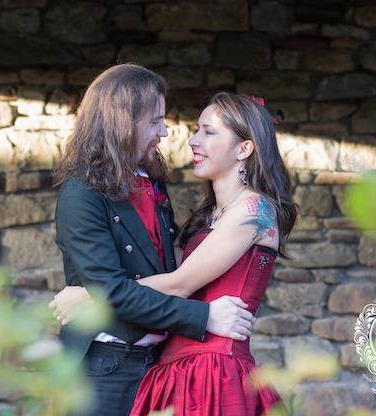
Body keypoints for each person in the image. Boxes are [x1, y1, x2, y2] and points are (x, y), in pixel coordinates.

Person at [54, 91, 298, 415]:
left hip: (214, 370)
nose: (193, 141)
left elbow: (180, 283)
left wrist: (94, 296)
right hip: (177, 365)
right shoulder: (214, 211)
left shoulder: (254, 209)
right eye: (197, 129)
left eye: (209, 132)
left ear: (245, 148)